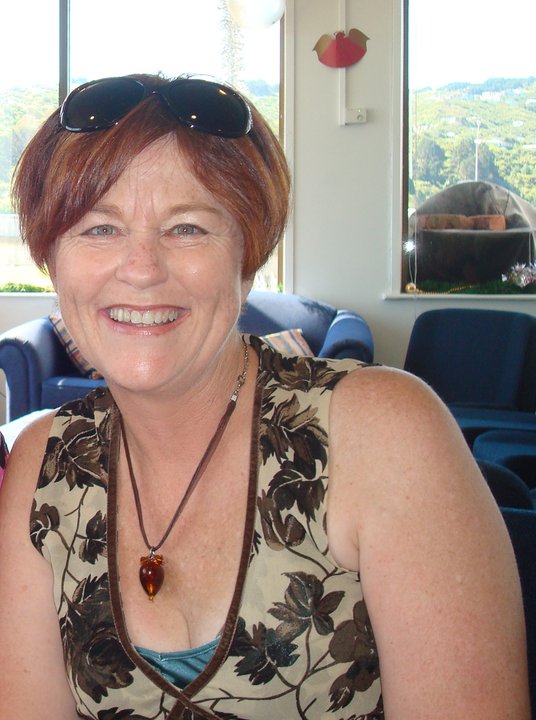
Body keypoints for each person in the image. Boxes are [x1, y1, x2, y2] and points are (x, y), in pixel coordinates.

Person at [0, 73, 529, 720]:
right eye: (99, 229)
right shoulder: (44, 464)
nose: (141, 269)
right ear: (51, 258)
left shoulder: (381, 433)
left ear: (248, 256)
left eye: (188, 228)